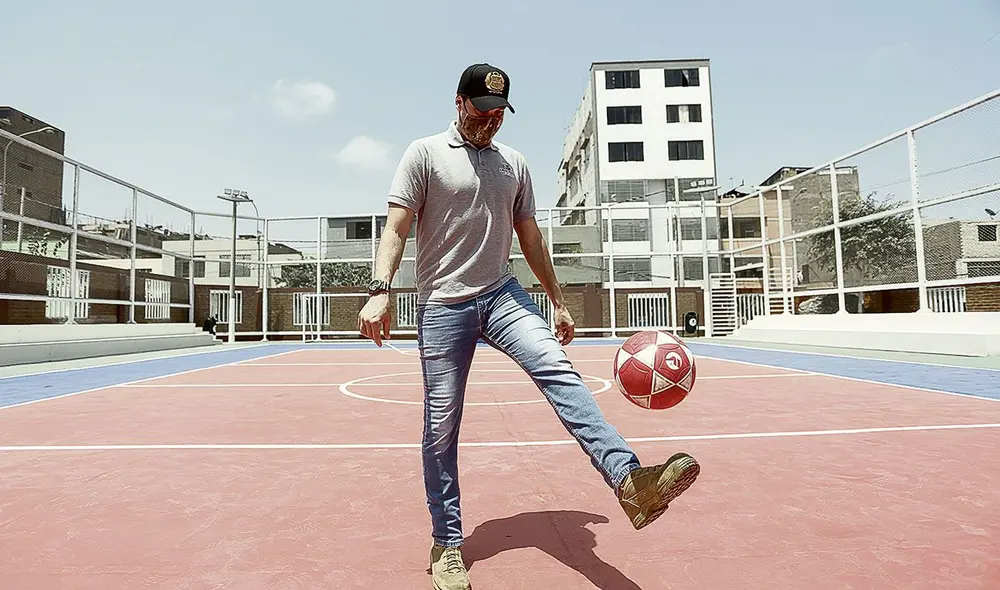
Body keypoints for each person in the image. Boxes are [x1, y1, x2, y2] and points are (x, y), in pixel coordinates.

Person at [358, 63, 700, 590]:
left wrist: (558, 300)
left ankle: (631, 481)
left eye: (499, 113)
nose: (490, 121)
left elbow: (531, 237)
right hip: (443, 306)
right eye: (481, 110)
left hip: (501, 295)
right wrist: (381, 291)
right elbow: (396, 228)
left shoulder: (513, 164)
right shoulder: (424, 154)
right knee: (442, 423)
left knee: (558, 368)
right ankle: (447, 543)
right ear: (458, 102)